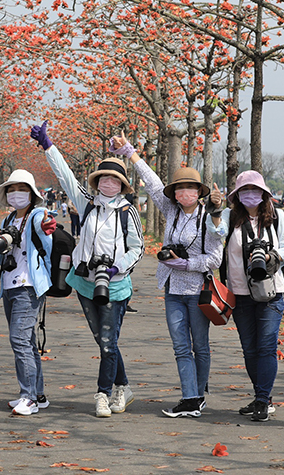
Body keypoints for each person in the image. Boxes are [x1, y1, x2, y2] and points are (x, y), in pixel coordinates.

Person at [31, 121, 144, 418]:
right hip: (85, 282)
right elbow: (65, 176)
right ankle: (124, 386)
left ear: (122, 184)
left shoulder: (127, 212)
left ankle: (103, 394)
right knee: (104, 340)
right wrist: (48, 145)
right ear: (97, 182)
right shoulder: (87, 203)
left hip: (115, 285)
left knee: (108, 342)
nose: (109, 183)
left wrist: (119, 265)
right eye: (104, 178)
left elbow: (138, 248)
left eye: (115, 180)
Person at [110, 133, 222, 418]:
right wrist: (129, 152)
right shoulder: (170, 210)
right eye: (180, 188)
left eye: (191, 188)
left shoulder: (208, 219)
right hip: (172, 290)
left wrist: (188, 264)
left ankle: (198, 392)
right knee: (181, 347)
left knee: (201, 346)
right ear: (175, 193)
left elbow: (215, 258)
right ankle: (191, 398)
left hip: (198, 290)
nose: (185, 193)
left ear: (199, 192)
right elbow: (151, 181)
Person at [208, 170, 284, 422]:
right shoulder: (228, 216)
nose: (250, 195)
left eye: (255, 190)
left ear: (264, 194)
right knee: (249, 349)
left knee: (266, 346)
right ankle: (262, 397)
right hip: (240, 292)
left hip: (272, 291)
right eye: (244, 191)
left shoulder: (276, 217)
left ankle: (261, 399)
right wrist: (214, 209)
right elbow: (215, 234)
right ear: (236, 195)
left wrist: (272, 256)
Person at [0, 170, 57, 415]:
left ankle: (27, 397)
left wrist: (46, 226)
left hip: (28, 286)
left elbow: (45, 231)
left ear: (31, 193)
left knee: (18, 340)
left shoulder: (37, 215)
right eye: (11, 189)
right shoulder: (7, 221)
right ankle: (38, 395)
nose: (16, 193)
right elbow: (2, 260)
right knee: (27, 342)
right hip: (9, 285)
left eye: (22, 188)